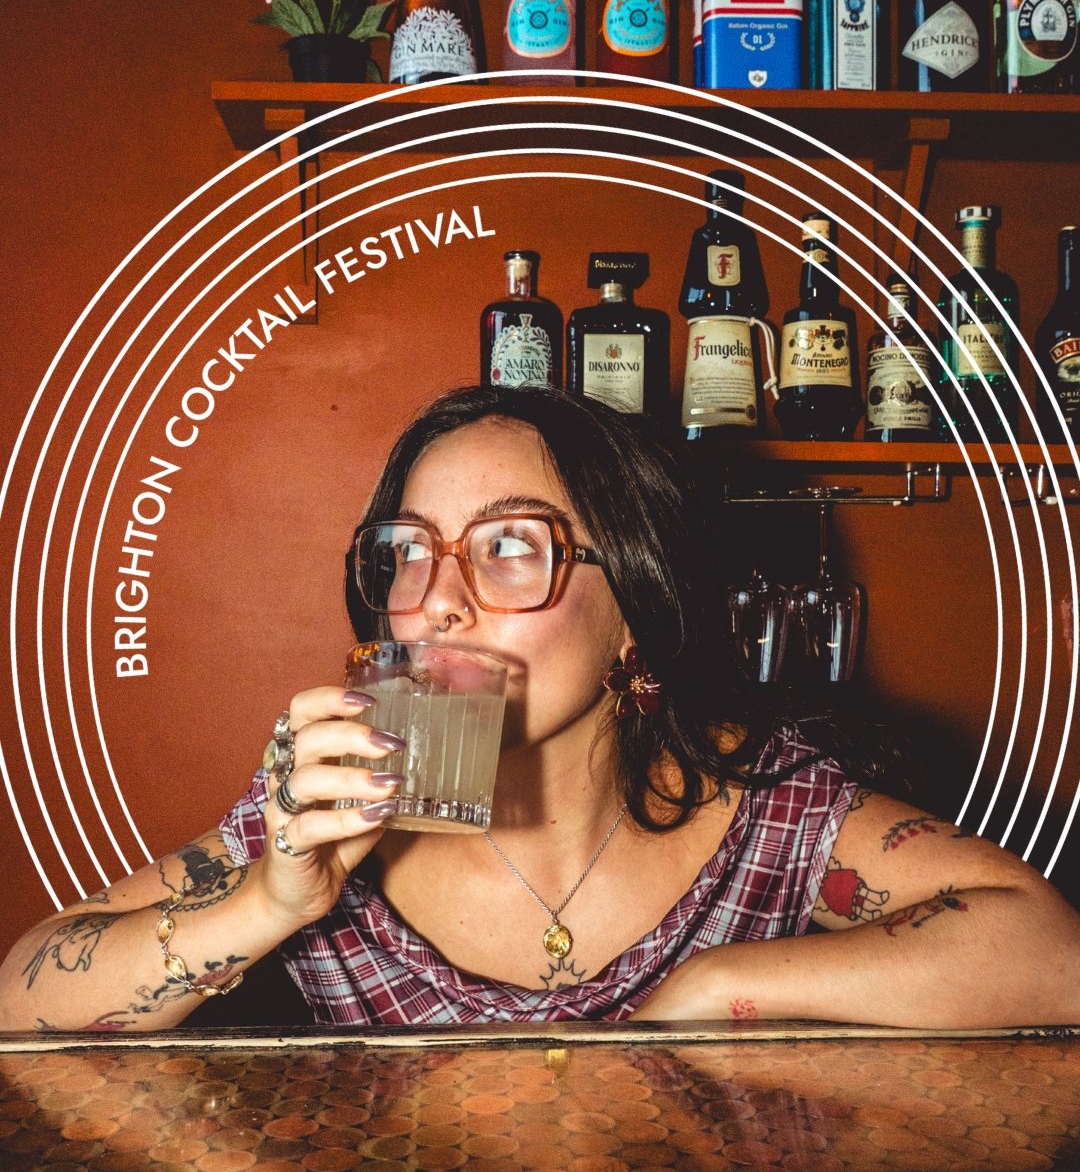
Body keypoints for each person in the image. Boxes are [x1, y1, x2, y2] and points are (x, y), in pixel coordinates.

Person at [2, 386, 1078, 1031]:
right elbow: (20, 1001)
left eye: (511, 545)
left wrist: (716, 989)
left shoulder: (763, 801)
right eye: (408, 550)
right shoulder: (330, 808)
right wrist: (268, 904)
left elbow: (1051, 952)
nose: (436, 598)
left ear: (637, 615)